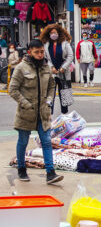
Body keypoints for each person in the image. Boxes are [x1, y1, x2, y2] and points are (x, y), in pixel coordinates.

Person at [9, 39, 64, 184]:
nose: (40, 55)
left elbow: (52, 85)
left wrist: (50, 100)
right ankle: (21, 169)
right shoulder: (21, 68)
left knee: (46, 141)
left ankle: (50, 173)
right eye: (37, 52)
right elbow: (12, 89)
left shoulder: (46, 67)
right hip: (26, 113)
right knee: (23, 141)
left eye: (41, 52)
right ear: (30, 52)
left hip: (43, 112)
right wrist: (25, 104)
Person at [40, 23, 73, 115]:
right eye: (51, 33)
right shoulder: (46, 44)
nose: (53, 34)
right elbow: (45, 57)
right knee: (50, 94)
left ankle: (64, 115)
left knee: (64, 94)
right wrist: (51, 67)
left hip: (63, 73)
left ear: (59, 33)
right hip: (51, 73)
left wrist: (63, 67)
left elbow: (70, 56)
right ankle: (49, 115)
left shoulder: (65, 43)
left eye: (55, 32)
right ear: (48, 34)